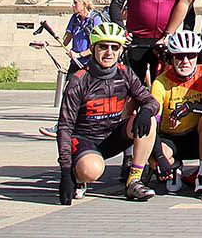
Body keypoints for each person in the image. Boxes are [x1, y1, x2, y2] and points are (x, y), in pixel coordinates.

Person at [55, 21, 159, 205]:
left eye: (114, 47)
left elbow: (151, 101)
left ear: (120, 50)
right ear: (93, 48)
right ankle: (78, 176)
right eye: (103, 46)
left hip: (112, 136)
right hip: (85, 140)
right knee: (92, 170)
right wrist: (65, 170)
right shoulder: (79, 80)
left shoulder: (125, 73)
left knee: (148, 121)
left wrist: (146, 111)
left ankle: (134, 181)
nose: (109, 52)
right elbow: (64, 127)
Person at [148, 29, 202, 197]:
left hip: (197, 136)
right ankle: (175, 167)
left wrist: (191, 107)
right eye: (180, 57)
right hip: (169, 138)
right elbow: (153, 123)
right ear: (172, 58)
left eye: (191, 56)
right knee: (159, 165)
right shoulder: (160, 82)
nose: (185, 61)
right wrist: (159, 157)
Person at [62, 0, 104, 73]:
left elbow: (99, 44)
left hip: (90, 64)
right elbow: (64, 41)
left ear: (84, 4)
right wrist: (47, 43)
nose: (73, 5)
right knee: (69, 85)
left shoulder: (95, 19)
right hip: (75, 63)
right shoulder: (74, 18)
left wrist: (79, 55)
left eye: (75, 2)